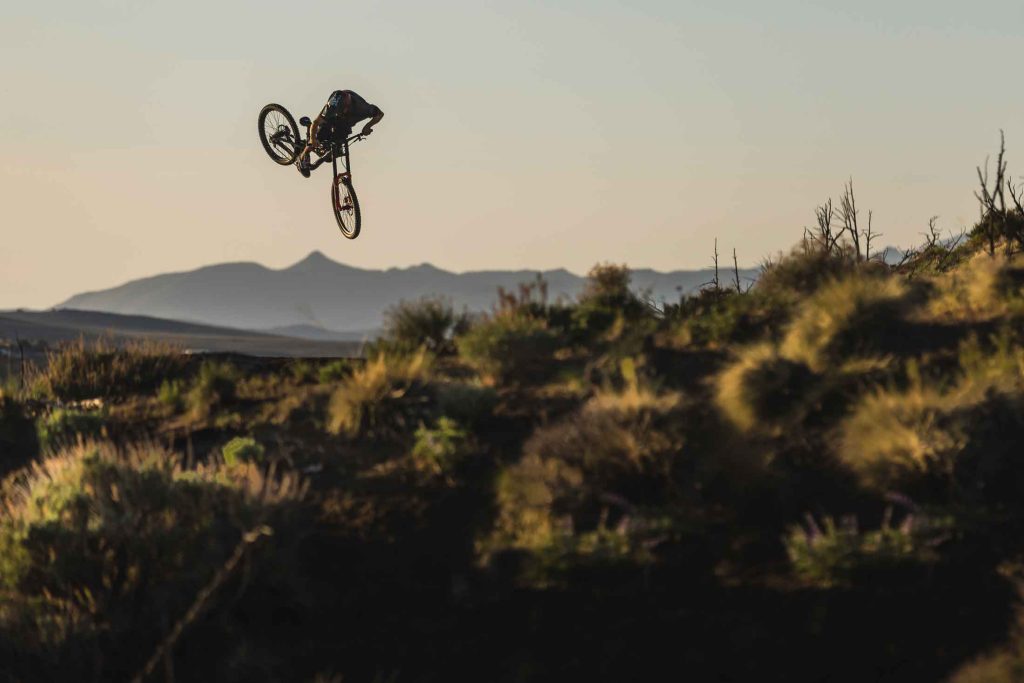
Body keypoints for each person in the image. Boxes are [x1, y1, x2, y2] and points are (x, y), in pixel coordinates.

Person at [296, 90, 383, 177]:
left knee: (334, 152)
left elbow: (379, 114)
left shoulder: (363, 108)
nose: (340, 113)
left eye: (342, 111)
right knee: (319, 135)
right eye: (339, 111)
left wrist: (367, 126)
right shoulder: (333, 105)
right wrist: (313, 138)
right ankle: (303, 155)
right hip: (332, 117)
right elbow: (316, 122)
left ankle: (326, 149)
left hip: (345, 123)